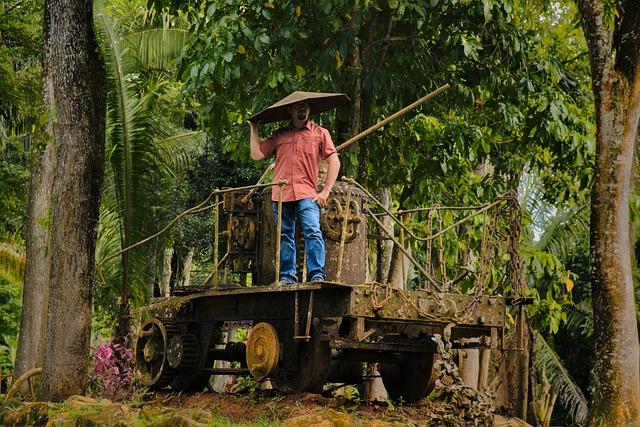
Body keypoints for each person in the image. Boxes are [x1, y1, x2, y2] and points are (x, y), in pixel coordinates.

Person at [249, 100, 340, 283]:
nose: (302, 110)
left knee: (313, 231)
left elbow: (334, 161)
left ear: (309, 110)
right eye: (298, 107)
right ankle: (287, 276)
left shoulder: (320, 133)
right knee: (284, 235)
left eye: (305, 107)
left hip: (307, 192)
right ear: (290, 110)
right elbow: (257, 155)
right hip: (281, 193)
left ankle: (317, 275)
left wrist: (325, 191)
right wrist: (254, 127)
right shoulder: (279, 135)